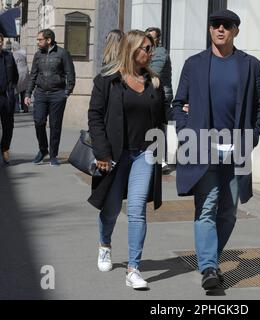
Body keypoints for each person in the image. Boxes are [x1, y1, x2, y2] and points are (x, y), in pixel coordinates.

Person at [172, 10, 260, 291]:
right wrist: (185, 132)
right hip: (203, 148)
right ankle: (209, 269)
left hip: (236, 150)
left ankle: (210, 259)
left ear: (236, 31)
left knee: (228, 213)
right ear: (210, 30)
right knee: (207, 208)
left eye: (227, 26)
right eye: (216, 25)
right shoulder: (195, 64)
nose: (221, 29)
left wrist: (253, 137)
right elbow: (178, 104)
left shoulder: (251, 65)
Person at [88, 30, 169, 290]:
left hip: (144, 154)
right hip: (115, 154)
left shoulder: (153, 82)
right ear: (132, 49)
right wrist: (102, 152)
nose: (150, 52)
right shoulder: (107, 81)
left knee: (136, 212)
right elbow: (95, 116)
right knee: (111, 208)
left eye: (151, 48)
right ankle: (104, 245)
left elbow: (162, 116)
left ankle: (134, 268)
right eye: (146, 47)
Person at [25, 29, 76, 167]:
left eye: (40, 40)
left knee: (55, 126)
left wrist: (66, 92)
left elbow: (70, 74)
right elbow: (33, 75)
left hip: (57, 95)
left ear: (48, 40)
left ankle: (53, 155)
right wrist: (28, 93)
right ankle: (43, 150)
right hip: (40, 93)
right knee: (39, 121)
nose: (38, 42)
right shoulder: (37, 55)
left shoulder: (62, 54)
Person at [145, 27, 173, 174]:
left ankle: (161, 161)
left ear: (158, 39)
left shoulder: (160, 52)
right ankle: (157, 158)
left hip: (162, 97)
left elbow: (154, 73)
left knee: (159, 128)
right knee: (154, 128)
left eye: (152, 37)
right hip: (153, 95)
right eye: (147, 36)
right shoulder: (150, 51)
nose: (149, 39)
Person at [0, 33, 19, 165]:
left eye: (0, 41)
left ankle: (5, 149)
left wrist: (11, 89)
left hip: (6, 97)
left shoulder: (8, 56)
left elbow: (15, 76)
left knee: (8, 127)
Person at [12, 42, 29, 113]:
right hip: (25, 73)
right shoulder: (24, 53)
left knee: (15, 91)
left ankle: (16, 108)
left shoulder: (14, 54)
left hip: (18, 73)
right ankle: (25, 107)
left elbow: (13, 65)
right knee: (24, 91)